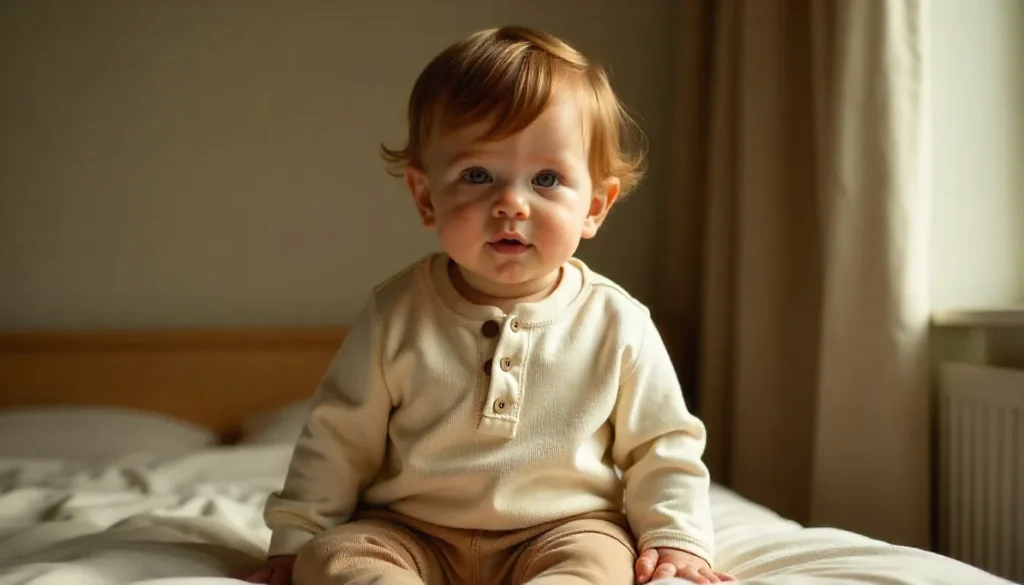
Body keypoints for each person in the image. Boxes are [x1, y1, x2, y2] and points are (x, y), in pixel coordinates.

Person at [245, 25, 731, 585]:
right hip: (410, 529)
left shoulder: (618, 322)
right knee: (333, 558)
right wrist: (298, 537)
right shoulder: (396, 314)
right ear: (426, 196)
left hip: (564, 528)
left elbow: (662, 446)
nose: (511, 204)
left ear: (595, 206)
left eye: (546, 179)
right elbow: (337, 440)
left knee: (598, 566)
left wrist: (674, 538)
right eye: (477, 175)